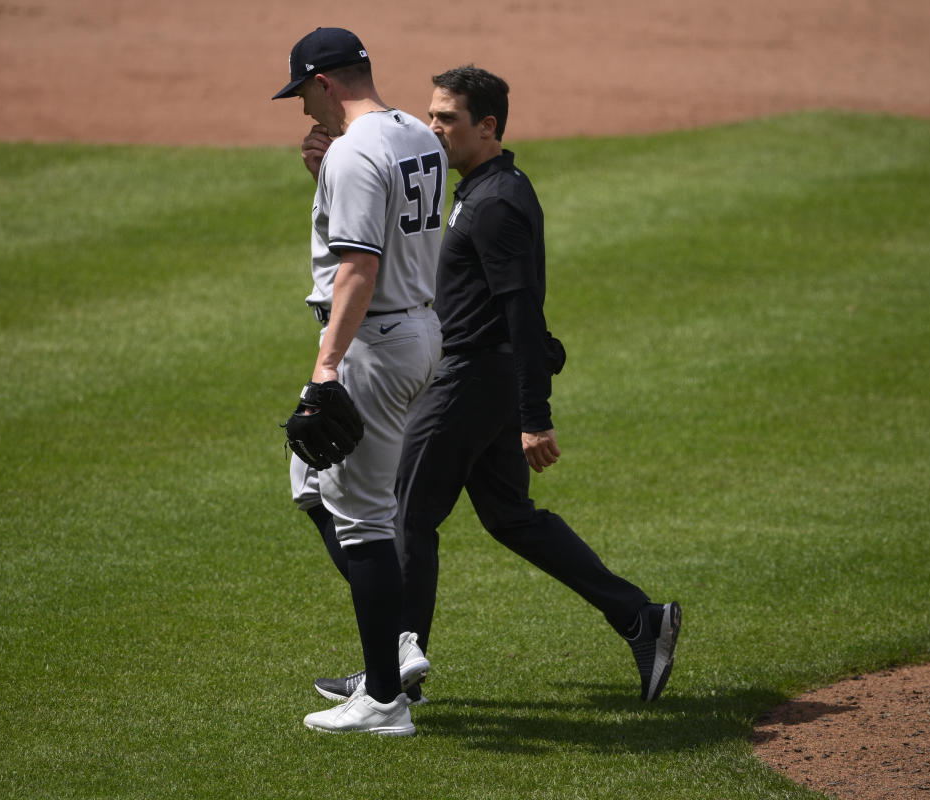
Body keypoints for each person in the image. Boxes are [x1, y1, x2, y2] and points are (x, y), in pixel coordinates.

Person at [314, 65, 681, 707]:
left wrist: (535, 413)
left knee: (407, 515)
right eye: (431, 115)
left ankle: (394, 675)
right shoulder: (476, 189)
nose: (434, 128)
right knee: (511, 517)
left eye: (448, 118)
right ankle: (639, 617)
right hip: (474, 376)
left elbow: (522, 308)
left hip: (469, 378)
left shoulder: (496, 202)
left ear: (488, 127)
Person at [272, 27, 447, 735]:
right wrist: (327, 178)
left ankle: (383, 697)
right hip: (416, 328)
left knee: (363, 517)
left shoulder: (350, 150)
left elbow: (359, 269)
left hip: (373, 340)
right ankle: (396, 647)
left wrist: (325, 368)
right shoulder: (416, 134)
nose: (303, 110)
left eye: (303, 94)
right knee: (309, 480)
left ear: (325, 83)